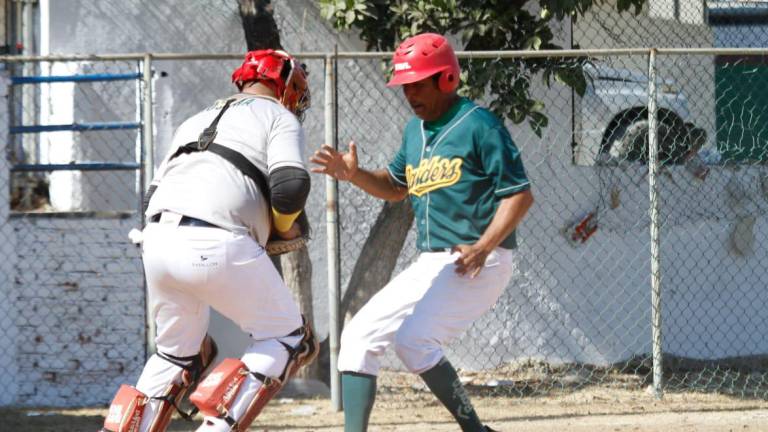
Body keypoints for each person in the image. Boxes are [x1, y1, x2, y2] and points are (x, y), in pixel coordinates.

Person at [311, 33, 534, 432]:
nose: (409, 93)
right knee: (358, 338)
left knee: (414, 341)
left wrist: (484, 247)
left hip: (481, 259)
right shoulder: (415, 131)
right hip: (433, 260)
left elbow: (519, 195)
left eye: (418, 83)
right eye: (405, 85)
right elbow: (396, 186)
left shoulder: (479, 125)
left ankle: (475, 430)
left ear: (446, 79)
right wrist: (354, 174)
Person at [101, 49, 318, 432]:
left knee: (174, 355)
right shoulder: (278, 115)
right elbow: (290, 187)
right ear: (284, 86)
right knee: (287, 336)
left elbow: (151, 199)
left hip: (158, 242)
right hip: (218, 240)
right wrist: (281, 225)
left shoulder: (196, 119)